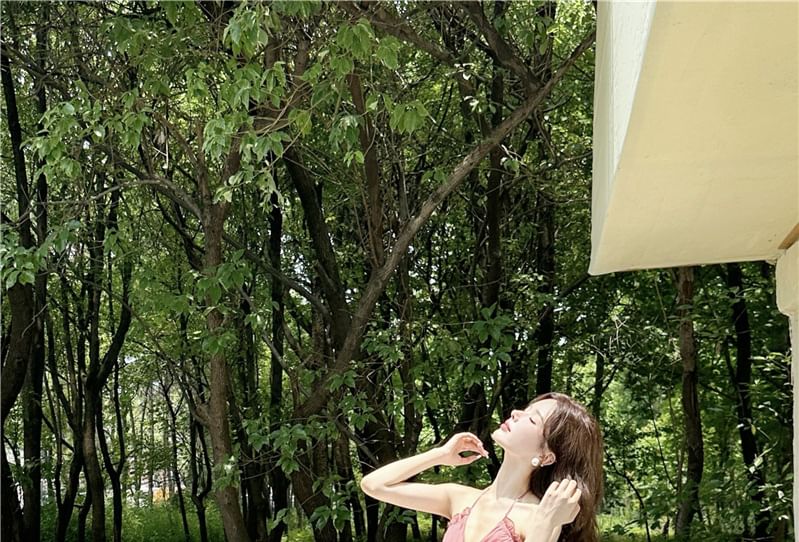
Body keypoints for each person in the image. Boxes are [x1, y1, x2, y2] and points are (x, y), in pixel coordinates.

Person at [360, 392, 604, 542]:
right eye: (525, 410)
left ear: (546, 456)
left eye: (532, 419)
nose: (515, 413)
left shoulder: (540, 516)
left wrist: (548, 523)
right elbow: (374, 485)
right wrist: (439, 454)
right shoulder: (460, 498)